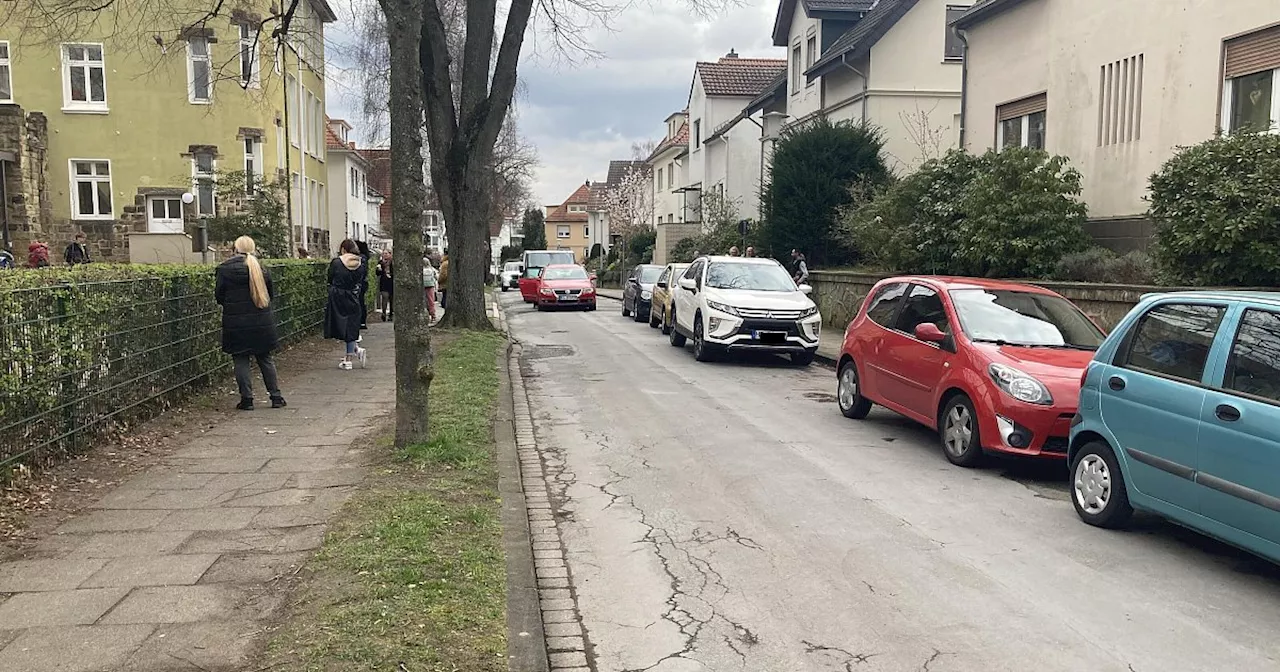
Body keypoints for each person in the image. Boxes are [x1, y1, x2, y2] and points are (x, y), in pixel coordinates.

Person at [215, 236, 285, 411]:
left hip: (236, 322)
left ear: (234, 249)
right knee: (265, 358)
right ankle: (275, 396)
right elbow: (270, 295)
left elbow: (219, 295)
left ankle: (247, 399)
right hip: (261, 320)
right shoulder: (261, 269)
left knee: (240, 359)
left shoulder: (225, 270)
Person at [325, 239, 367, 370]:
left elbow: (330, 277)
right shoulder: (360, 263)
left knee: (338, 324)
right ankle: (353, 352)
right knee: (351, 325)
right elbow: (361, 279)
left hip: (337, 295)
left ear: (343, 249)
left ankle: (350, 356)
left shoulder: (337, 262)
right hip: (353, 295)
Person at [355, 241, 372, 330]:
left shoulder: (361, 258)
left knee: (360, 302)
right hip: (363, 283)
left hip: (360, 283)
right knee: (361, 301)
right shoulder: (364, 257)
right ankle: (362, 321)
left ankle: (361, 321)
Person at [376, 250, 394, 322]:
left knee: (391, 299)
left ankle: (391, 314)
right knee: (384, 297)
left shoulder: (393, 262)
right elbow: (377, 273)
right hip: (384, 282)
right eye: (383, 253)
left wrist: (391, 274)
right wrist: (379, 270)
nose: (384, 255)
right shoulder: (380, 263)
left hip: (392, 282)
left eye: (386, 253)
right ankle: (383, 313)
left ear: (390, 254)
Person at [422, 257, 439, 322]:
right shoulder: (432, 269)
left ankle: (425, 316)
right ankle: (433, 315)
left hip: (423, 287)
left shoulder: (420, 270)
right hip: (430, 286)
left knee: (423, 301)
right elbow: (437, 277)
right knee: (431, 301)